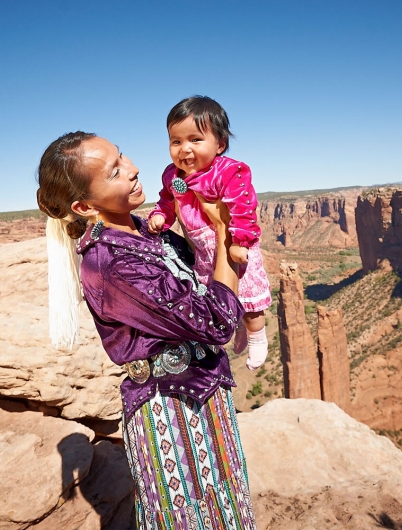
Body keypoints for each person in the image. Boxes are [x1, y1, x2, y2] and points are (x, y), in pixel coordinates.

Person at [36, 131, 257, 529]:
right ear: (83, 205)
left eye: (123, 157)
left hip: (204, 397)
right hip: (170, 413)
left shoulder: (142, 228)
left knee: (227, 512)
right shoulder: (110, 262)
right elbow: (218, 318)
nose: (134, 169)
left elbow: (200, 273)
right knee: (192, 518)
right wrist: (226, 230)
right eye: (115, 171)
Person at [147, 96, 271, 371]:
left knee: (249, 300)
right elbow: (167, 200)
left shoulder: (228, 172)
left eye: (195, 140)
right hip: (202, 251)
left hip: (229, 244)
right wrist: (160, 216)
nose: (184, 149)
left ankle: (257, 336)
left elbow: (243, 206)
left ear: (220, 144)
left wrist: (240, 242)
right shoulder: (172, 175)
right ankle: (234, 326)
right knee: (216, 297)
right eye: (176, 141)